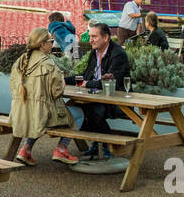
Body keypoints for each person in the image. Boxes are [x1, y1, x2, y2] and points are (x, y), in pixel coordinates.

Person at [10, 28, 78, 165]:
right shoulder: (48, 63)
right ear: (42, 44)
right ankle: (61, 149)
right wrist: (63, 82)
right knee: (78, 114)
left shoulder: (20, 61)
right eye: (51, 41)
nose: (53, 44)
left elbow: (13, 88)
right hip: (43, 116)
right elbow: (57, 93)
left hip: (20, 113)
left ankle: (26, 149)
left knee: (37, 116)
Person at [77, 22, 131, 159]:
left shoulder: (118, 54)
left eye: (94, 37)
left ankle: (107, 144)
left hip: (117, 99)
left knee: (94, 111)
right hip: (98, 95)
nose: (90, 40)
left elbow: (112, 82)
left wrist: (88, 84)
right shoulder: (93, 53)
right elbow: (85, 75)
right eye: (90, 36)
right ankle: (98, 142)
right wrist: (64, 80)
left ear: (106, 38)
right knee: (76, 109)